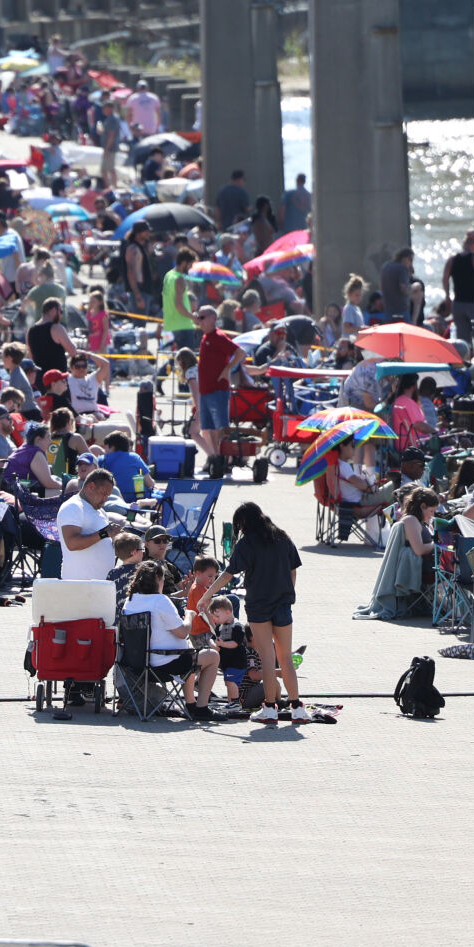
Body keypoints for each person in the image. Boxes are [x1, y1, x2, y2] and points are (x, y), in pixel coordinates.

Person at [221, 502, 309, 724]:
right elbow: (293, 570)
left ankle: (270, 708)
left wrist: (205, 597)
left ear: (244, 522)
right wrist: (289, 594)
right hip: (282, 605)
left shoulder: (247, 543)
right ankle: (297, 707)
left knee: (267, 659)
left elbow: (229, 573)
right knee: (285, 657)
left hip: (258, 606)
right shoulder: (282, 537)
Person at [123, 559, 222, 718]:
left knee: (190, 654)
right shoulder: (160, 600)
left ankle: (190, 704)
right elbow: (183, 632)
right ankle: (202, 707)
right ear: (158, 580)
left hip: (138, 664)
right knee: (212, 656)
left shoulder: (130, 601)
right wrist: (189, 615)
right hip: (165, 664)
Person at [357, 488, 441, 620]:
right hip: (421, 566)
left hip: (423, 564)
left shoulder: (418, 521)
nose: (432, 515)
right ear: (422, 506)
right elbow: (418, 549)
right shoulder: (411, 520)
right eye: (431, 511)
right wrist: (436, 545)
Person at [195, 306, 252, 470]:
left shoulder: (218, 336)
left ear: (212, 319)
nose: (199, 321)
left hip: (217, 390)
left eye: (202, 317)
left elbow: (240, 352)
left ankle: (225, 459)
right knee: (208, 427)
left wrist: (228, 368)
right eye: (198, 318)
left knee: (221, 426)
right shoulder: (206, 337)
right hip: (205, 390)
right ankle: (215, 458)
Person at [56, 468, 118, 581]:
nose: (105, 499)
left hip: (100, 586)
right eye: (103, 494)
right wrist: (104, 533)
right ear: (91, 486)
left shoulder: (101, 511)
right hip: (79, 585)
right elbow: (72, 544)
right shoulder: (72, 507)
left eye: (107, 496)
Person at [443, 230, 474, 347]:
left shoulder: (452, 260)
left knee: (463, 342)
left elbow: (445, 279)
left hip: (458, 304)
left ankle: (465, 362)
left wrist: (448, 296)